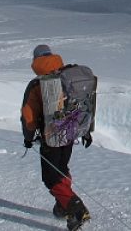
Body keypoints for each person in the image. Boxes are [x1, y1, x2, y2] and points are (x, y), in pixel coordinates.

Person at [21, 45, 93, 229]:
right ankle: (62, 206)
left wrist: (28, 137)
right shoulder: (69, 75)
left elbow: (28, 114)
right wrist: (87, 130)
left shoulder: (38, 83)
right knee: (61, 168)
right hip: (70, 132)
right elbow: (88, 102)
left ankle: (75, 208)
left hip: (50, 135)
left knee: (51, 177)